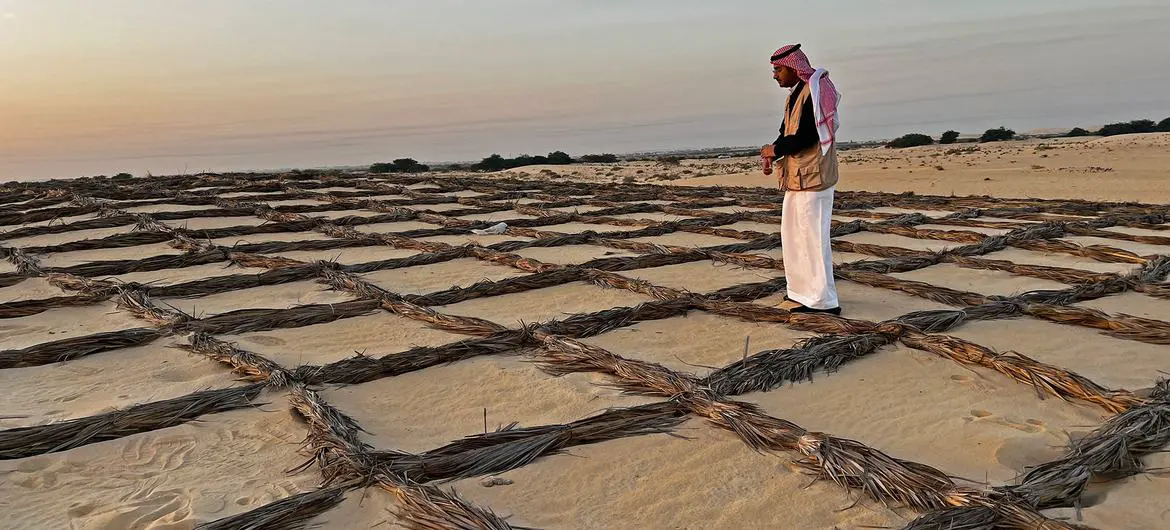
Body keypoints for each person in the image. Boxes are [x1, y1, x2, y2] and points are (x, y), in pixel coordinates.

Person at [761, 43, 841, 315]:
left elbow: (807, 136)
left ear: (794, 69)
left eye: (778, 70)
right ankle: (801, 294)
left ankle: (823, 301)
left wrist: (776, 150)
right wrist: (772, 151)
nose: (775, 75)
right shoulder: (794, 95)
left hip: (814, 178)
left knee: (813, 240)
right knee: (794, 237)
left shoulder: (814, 92)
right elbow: (786, 134)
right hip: (796, 179)